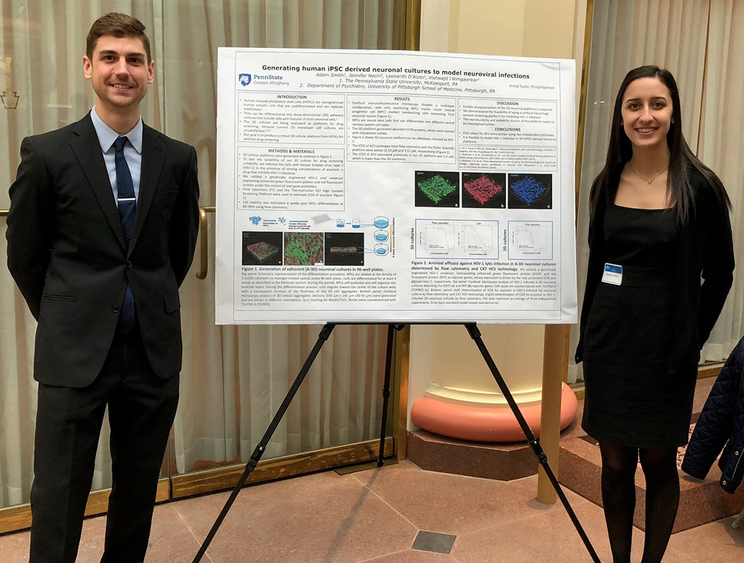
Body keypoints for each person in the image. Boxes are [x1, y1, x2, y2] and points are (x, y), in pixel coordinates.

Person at [5, 13, 200, 563]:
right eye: (110, 58)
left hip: (151, 355)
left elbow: (176, 253)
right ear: (89, 67)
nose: (122, 70)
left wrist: (144, 303)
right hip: (74, 353)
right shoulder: (46, 154)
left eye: (134, 59)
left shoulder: (177, 158)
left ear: (151, 72)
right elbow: (25, 256)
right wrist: (71, 313)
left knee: (138, 491)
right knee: (59, 493)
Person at [575, 65, 734, 563]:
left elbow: (722, 275)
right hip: (610, 346)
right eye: (634, 105)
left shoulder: (699, 187)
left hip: (666, 355)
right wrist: (590, 332)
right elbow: (598, 266)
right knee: (615, 462)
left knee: (659, 464)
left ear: (673, 112)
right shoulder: (607, 182)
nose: (646, 116)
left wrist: (691, 339)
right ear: (621, 116)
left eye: (657, 104)